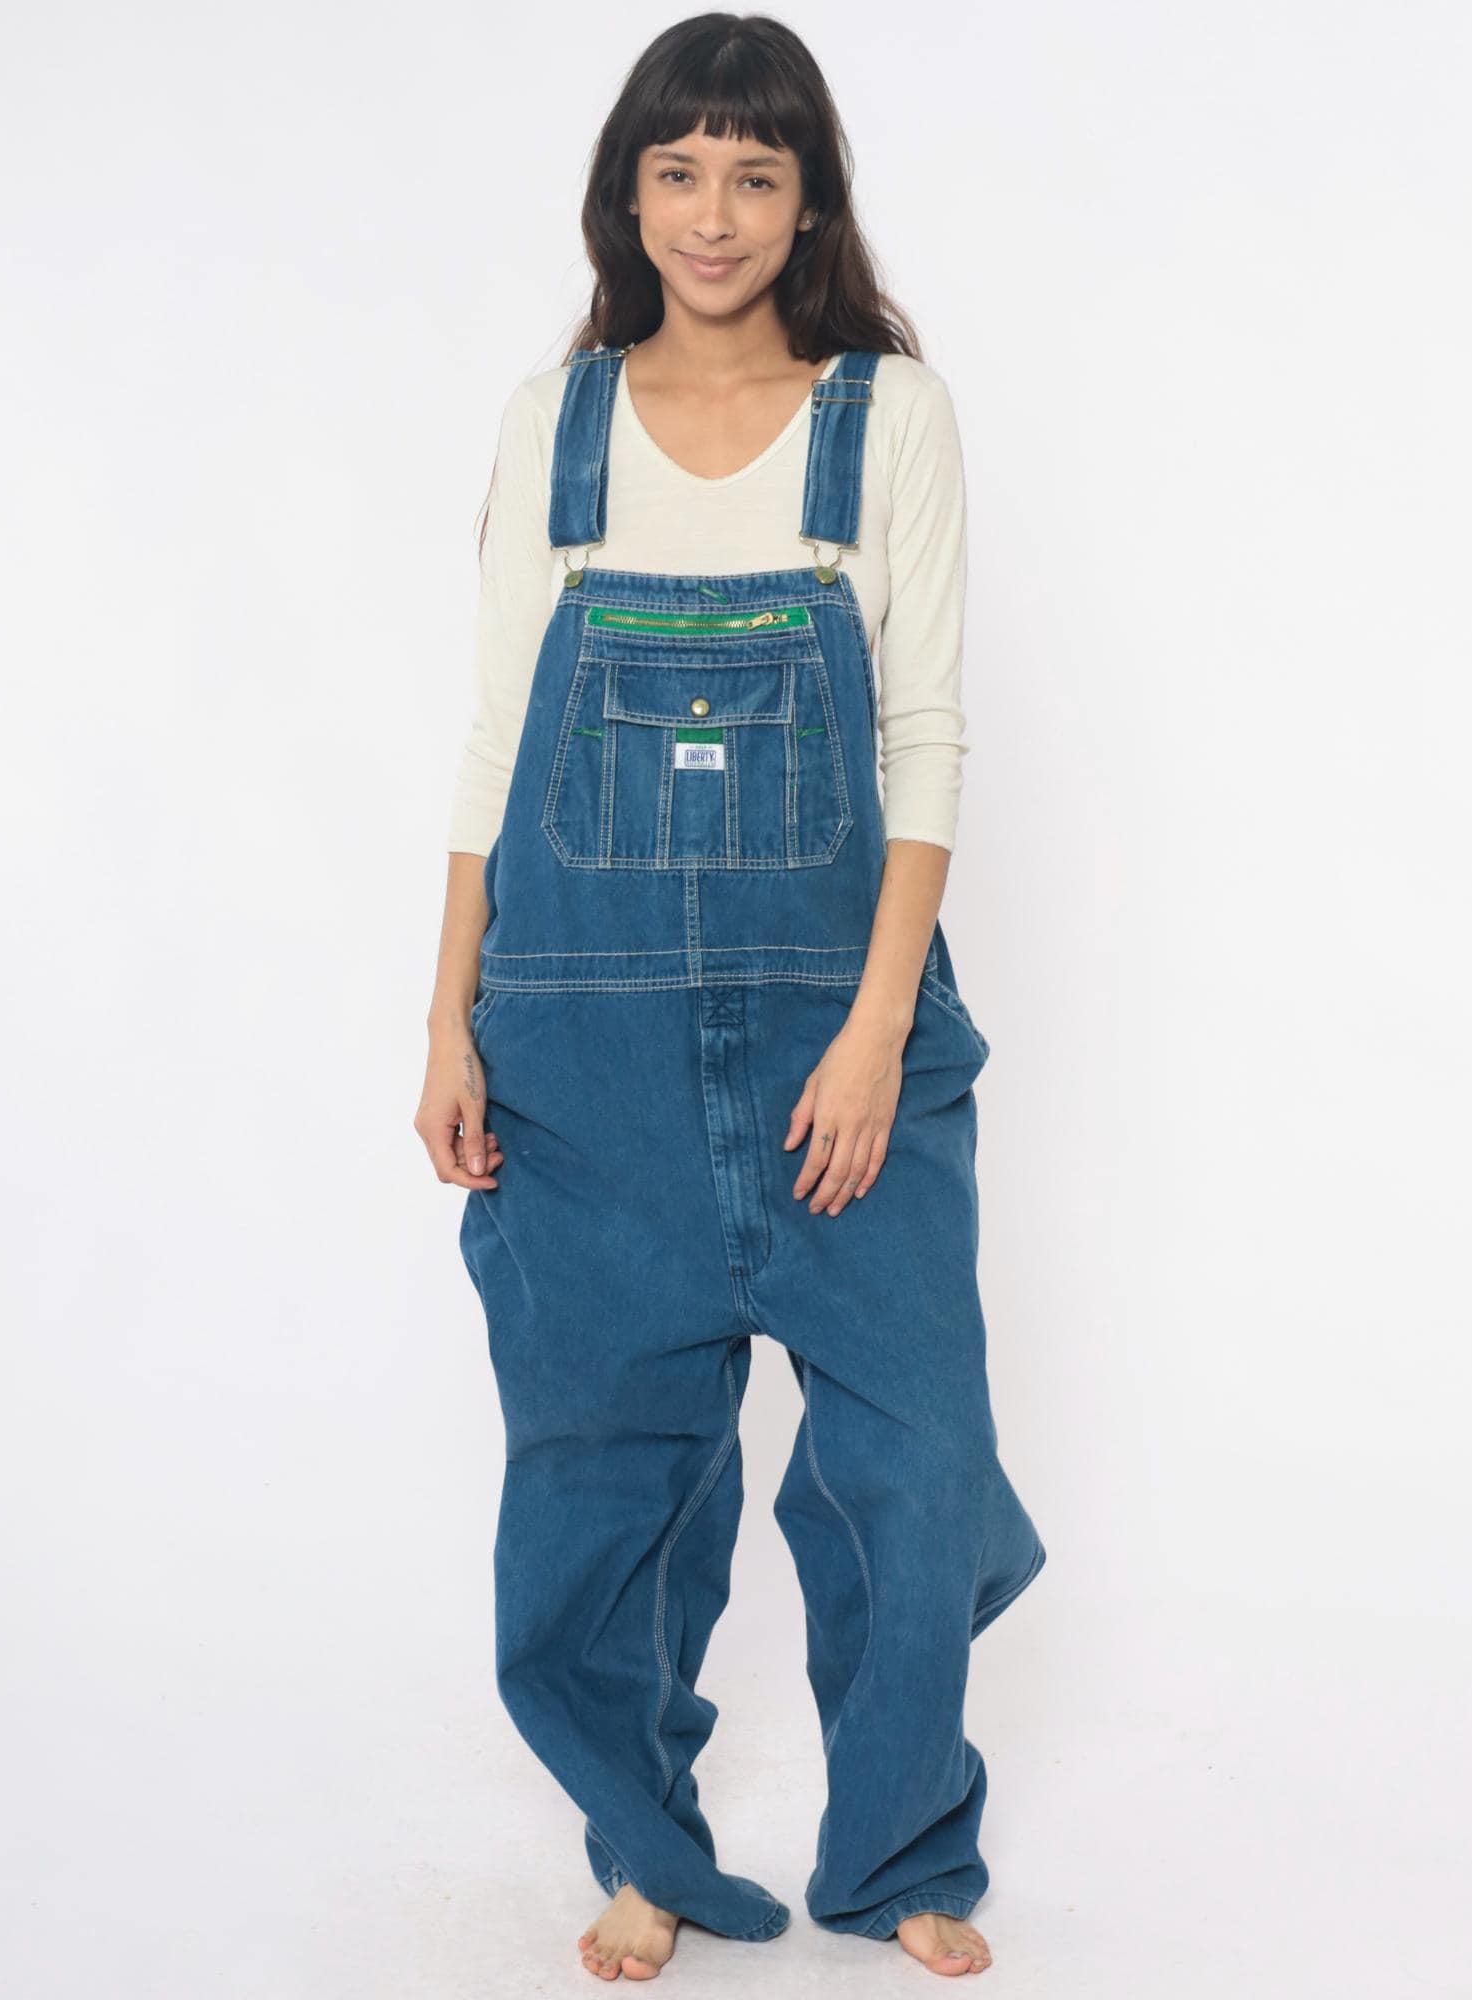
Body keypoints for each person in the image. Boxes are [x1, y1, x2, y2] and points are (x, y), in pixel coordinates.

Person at [414, 13, 1046, 1982]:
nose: (713, 212)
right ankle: (649, 1848)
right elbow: (498, 743)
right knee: (602, 1479)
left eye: (755, 175)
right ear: (626, 197)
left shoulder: (886, 417)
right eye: (677, 171)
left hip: (840, 1032)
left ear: (809, 204)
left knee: (912, 1462)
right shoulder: (556, 421)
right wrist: (446, 1020)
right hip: (575, 1043)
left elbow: (927, 738)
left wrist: (874, 1030)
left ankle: (902, 1850)